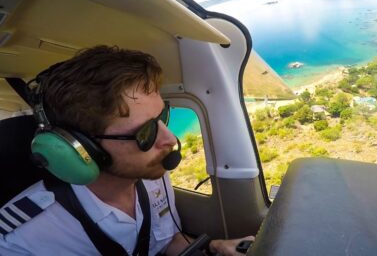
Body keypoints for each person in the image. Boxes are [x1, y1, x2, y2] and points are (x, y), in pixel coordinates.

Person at [0, 45, 254, 255]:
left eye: (162, 116)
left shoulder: (153, 177)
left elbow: (165, 241)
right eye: (145, 133)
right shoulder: (21, 239)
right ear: (83, 147)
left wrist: (214, 248)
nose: (169, 139)